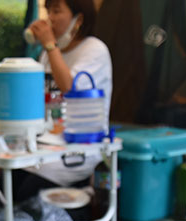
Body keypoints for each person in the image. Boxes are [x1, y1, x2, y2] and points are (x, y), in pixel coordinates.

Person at [15, 0, 113, 202]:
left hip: (79, 148)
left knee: (25, 195)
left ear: (79, 19)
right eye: (48, 10)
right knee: (7, 187)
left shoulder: (94, 50)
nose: (49, 17)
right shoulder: (47, 54)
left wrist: (50, 45)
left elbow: (69, 87)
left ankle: (83, 190)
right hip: (46, 144)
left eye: (57, 11)